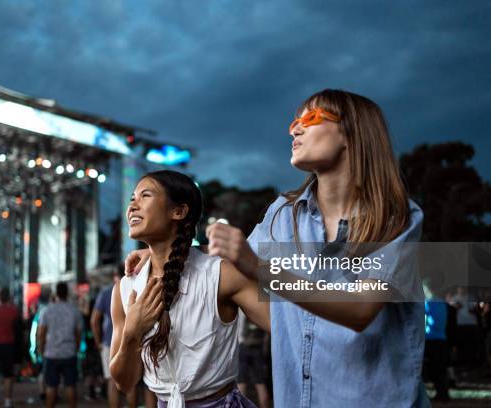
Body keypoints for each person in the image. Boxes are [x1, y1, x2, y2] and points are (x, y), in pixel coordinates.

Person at [128, 90, 428, 407]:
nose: (295, 129)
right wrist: (164, 249)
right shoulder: (283, 214)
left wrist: (259, 268)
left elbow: (361, 309)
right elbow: (227, 261)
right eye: (295, 121)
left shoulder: (394, 216)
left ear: (352, 132)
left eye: (311, 119)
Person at [111, 170, 269, 408]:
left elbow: (290, 324)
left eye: (145, 195)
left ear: (179, 211)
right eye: (132, 198)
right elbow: (125, 383)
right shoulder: (125, 288)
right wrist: (132, 333)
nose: (132, 205)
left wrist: (212, 252)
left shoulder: (220, 275)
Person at [92, 269, 139, 407]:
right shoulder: (137, 287)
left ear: (115, 276)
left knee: (112, 381)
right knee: (132, 381)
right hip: (133, 340)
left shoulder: (106, 292)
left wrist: (98, 342)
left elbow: (94, 319)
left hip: (109, 342)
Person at [38, 282, 83, 408]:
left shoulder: (46, 311)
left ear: (55, 293)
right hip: (69, 352)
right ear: (67, 293)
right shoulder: (74, 311)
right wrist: (76, 348)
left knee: (51, 387)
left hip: (51, 353)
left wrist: (41, 350)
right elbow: (78, 333)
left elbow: (41, 333)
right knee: (70, 386)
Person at [236, 312, 270, 408]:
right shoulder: (261, 309)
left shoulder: (242, 307)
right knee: (261, 384)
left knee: (241, 383)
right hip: (258, 347)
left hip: (242, 346)